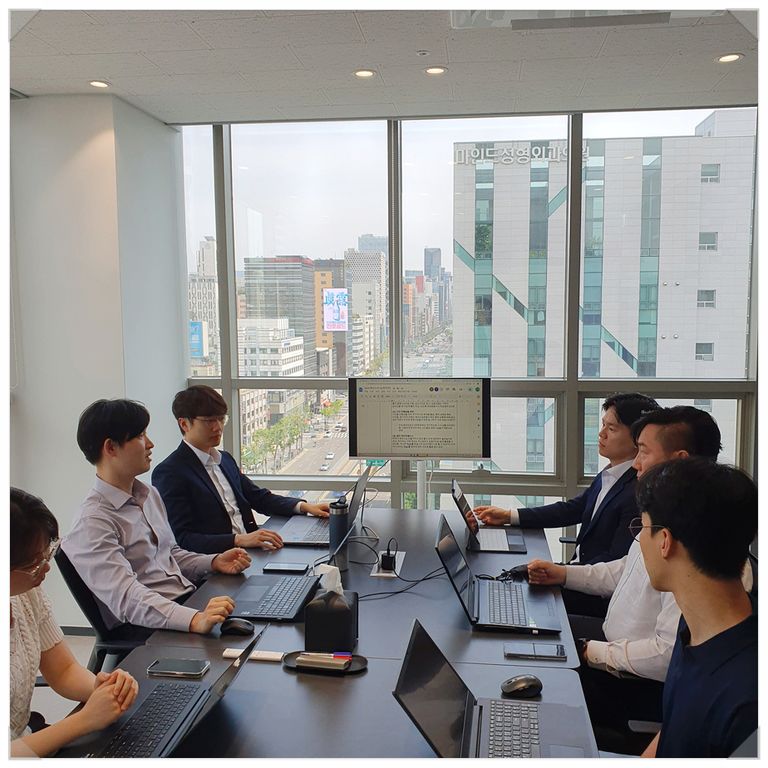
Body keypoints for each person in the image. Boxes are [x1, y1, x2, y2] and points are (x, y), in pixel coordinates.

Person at [526, 406, 723, 748]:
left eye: (644, 452)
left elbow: (666, 656)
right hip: (612, 649)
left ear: (679, 460)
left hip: (633, 682)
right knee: (531, 634)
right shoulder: (664, 513)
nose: (636, 464)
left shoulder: (696, 544)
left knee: (533, 698)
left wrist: (591, 652)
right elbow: (624, 571)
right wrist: (564, 574)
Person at [62, 399, 251, 635]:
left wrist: (213, 562)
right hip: (149, 628)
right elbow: (126, 597)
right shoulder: (93, 522)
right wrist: (194, 620)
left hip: (184, 601)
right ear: (110, 448)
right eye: (140, 436)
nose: (150, 444)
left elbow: (169, 555)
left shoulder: (148, 494)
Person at [636, 459, 757, 758]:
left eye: (643, 528)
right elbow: (675, 730)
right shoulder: (693, 627)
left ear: (665, 542)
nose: (640, 539)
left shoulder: (749, 701)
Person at [10, 488, 139, 757]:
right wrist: (84, 720)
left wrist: (103, 689)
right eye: (34, 563)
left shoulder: (25, 593)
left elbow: (64, 670)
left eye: (48, 554)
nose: (46, 567)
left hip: (28, 739)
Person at [153, 386, 330, 554]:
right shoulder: (170, 472)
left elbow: (259, 498)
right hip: (218, 563)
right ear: (184, 424)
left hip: (252, 552)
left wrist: (304, 506)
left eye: (221, 419)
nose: (218, 427)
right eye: (209, 421)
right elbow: (183, 539)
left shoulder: (225, 460)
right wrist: (238, 540)